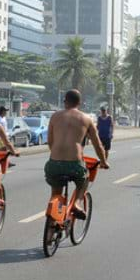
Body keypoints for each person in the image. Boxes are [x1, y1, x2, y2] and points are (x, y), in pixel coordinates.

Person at [45, 90, 110, 219]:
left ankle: (54, 220)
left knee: (56, 192)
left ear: (65, 101)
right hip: (74, 164)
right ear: (79, 103)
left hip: (53, 164)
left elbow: (50, 141)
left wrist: (57, 155)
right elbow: (98, 145)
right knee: (84, 179)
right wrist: (103, 161)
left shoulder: (55, 116)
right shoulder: (86, 119)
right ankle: (77, 203)